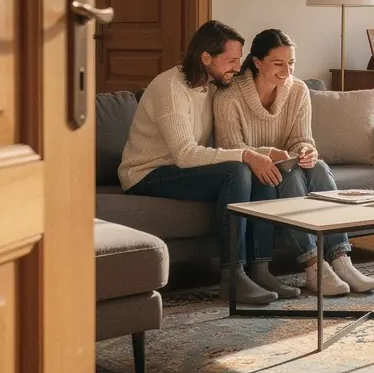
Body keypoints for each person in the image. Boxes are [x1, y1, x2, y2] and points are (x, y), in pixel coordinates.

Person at [119, 20, 292, 307]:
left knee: (257, 167)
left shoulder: (210, 87)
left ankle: (260, 268)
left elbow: (215, 149)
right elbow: (185, 154)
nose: (237, 67)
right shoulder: (170, 88)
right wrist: (246, 155)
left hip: (178, 168)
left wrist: (264, 152)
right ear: (206, 57)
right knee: (238, 170)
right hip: (146, 173)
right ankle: (232, 276)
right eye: (231, 60)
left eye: (239, 59)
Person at [214, 28, 374, 296]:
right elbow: (231, 148)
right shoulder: (229, 95)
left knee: (319, 167)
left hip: (287, 165)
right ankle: (314, 266)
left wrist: (305, 150)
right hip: (252, 170)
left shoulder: (299, 90)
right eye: (278, 63)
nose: (287, 71)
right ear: (257, 62)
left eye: (291, 63)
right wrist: (271, 154)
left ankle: (341, 261)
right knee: (291, 176)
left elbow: (302, 138)